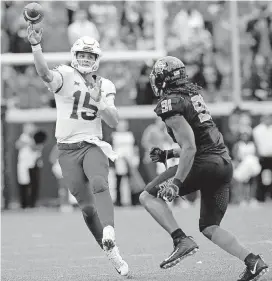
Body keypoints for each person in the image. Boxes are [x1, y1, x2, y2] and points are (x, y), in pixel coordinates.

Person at [139, 56, 269, 281]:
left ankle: (181, 239)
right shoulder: (192, 95)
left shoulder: (170, 103)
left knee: (148, 197)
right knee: (209, 226)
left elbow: (191, 147)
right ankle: (253, 262)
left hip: (204, 164)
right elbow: (200, 144)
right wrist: (169, 154)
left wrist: (177, 182)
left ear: (162, 80)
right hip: (222, 163)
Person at [27, 25, 128, 276]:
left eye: (90, 56)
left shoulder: (105, 84)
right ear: (75, 56)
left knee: (99, 183)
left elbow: (113, 121)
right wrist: (36, 46)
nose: (85, 59)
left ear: (96, 60)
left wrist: (99, 101)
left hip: (92, 143)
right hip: (67, 149)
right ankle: (111, 252)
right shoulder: (64, 74)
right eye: (82, 55)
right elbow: (43, 73)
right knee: (86, 208)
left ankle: (109, 230)